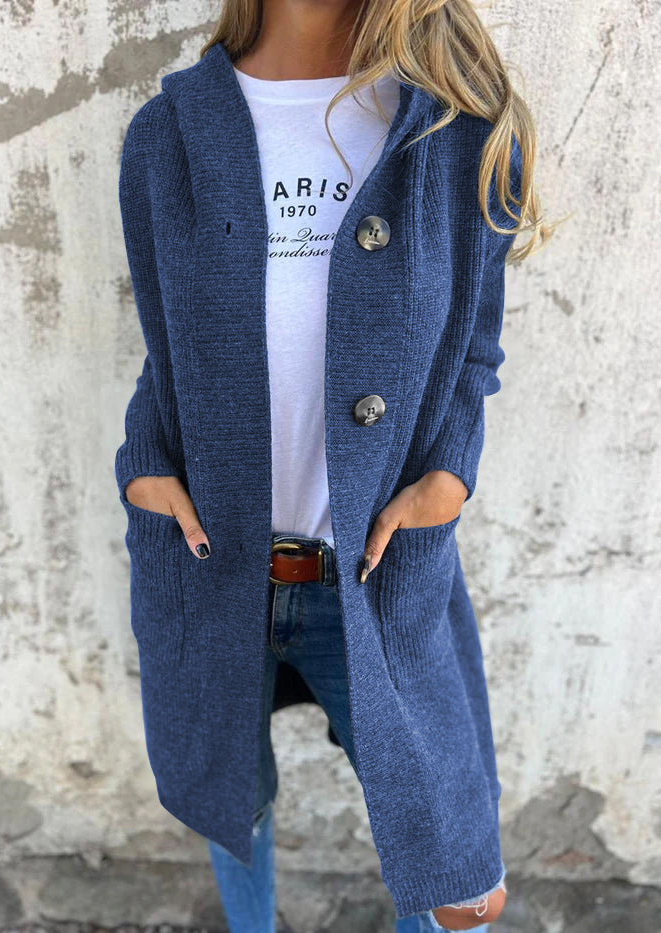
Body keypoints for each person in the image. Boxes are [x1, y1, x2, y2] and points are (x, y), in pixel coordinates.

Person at [115, 0, 552, 930]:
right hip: (209, 560)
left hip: (379, 573)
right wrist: (143, 464)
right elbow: (163, 349)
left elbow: (474, 352)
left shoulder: (455, 130)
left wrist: (451, 474)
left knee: (463, 895)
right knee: (234, 803)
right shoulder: (170, 136)